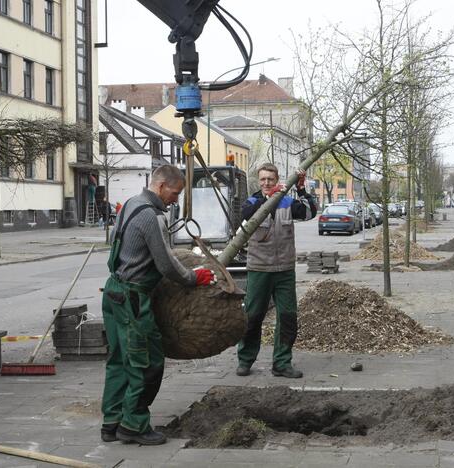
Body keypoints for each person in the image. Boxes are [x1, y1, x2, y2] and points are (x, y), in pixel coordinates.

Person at [100, 165, 217, 446]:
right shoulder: (152, 217)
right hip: (133, 298)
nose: (175, 199)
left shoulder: (130, 204)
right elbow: (165, 264)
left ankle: (111, 423)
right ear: (161, 185)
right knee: (147, 363)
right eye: (175, 193)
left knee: (118, 361)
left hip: (114, 291)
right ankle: (133, 426)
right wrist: (193, 277)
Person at [236, 163, 317, 379]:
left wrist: (300, 188)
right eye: (263, 179)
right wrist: (268, 199)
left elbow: (310, 212)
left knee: (288, 317)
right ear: (258, 180)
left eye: (270, 179)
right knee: (252, 316)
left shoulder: (287, 202)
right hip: (259, 269)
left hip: (284, 270)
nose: (266, 183)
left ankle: (281, 363)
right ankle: (245, 360)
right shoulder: (253, 201)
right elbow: (245, 214)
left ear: (277, 179)